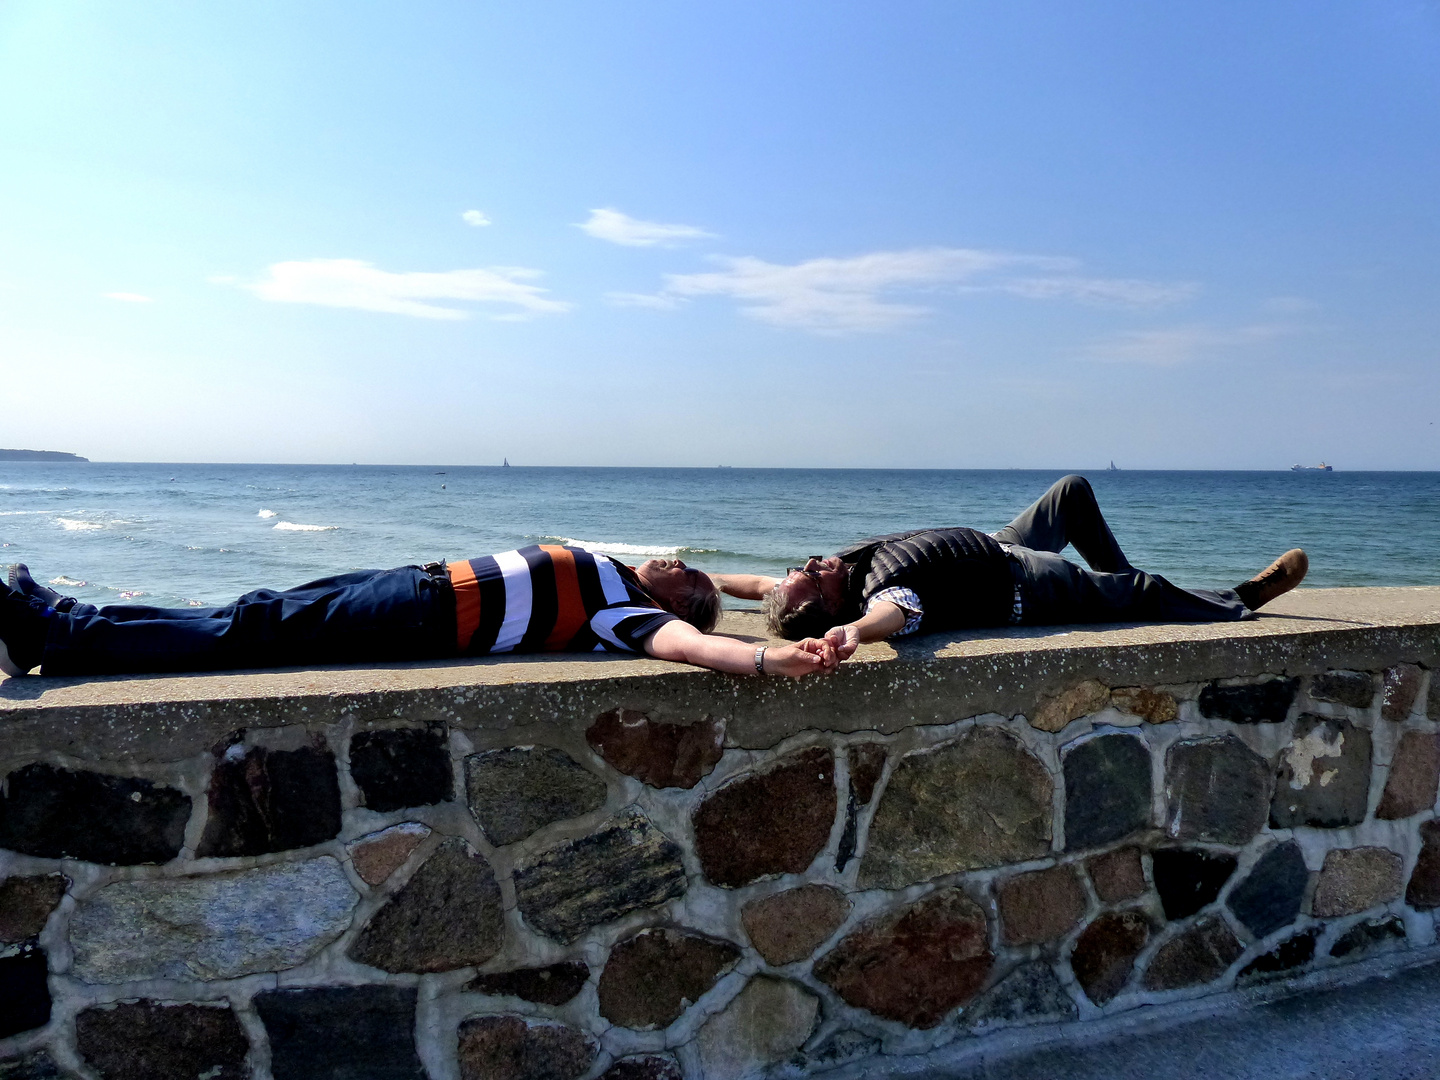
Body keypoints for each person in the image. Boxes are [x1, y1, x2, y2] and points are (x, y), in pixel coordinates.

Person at [708, 475, 1309, 661]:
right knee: (1142, 591)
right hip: (1021, 585)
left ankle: (1123, 594)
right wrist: (853, 636)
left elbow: (762, 586)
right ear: (831, 603)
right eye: (811, 575)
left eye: (804, 566)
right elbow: (902, 611)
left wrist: (705, 582)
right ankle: (1241, 598)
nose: (812, 562)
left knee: (1070, 493)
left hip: (996, 547)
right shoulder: (877, 594)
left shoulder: (825, 578)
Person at [0, 546, 835, 679]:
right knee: (253, 607)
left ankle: (45, 635)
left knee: (248, 633)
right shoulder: (625, 578)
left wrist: (765, 660)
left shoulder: (627, 610)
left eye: (682, 566)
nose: (681, 558)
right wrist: (770, 597)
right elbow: (745, 589)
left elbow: (691, 644)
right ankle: (64, 615)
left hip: (419, 615)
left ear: (667, 592)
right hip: (419, 581)